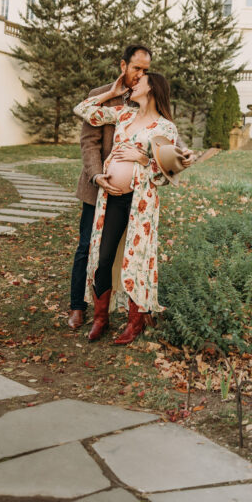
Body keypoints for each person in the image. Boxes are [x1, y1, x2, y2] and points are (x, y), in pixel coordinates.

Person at [72, 71, 180, 345]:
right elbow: (83, 109)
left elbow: (166, 174)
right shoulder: (124, 114)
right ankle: (100, 319)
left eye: (139, 82)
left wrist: (142, 158)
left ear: (152, 88)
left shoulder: (165, 128)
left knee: (136, 261)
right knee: (103, 257)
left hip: (140, 204)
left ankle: (135, 322)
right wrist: (109, 93)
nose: (133, 85)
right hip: (112, 198)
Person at [67, 44, 152, 330]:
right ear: (123, 66)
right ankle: (78, 305)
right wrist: (96, 176)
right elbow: (89, 143)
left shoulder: (147, 98)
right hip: (98, 189)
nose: (140, 74)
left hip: (135, 194)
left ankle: (137, 309)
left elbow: (160, 138)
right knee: (86, 247)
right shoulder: (100, 97)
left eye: (146, 70)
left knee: (130, 251)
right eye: (136, 68)